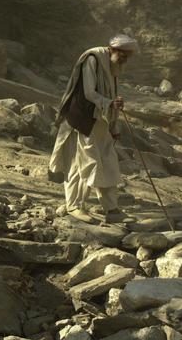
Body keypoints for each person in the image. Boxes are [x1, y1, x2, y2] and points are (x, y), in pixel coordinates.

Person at [49, 34, 139, 224]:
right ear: (113, 50)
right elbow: (89, 93)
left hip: (101, 121)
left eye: (127, 57)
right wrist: (109, 103)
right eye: (123, 55)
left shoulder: (112, 66)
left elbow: (110, 94)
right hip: (83, 120)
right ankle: (74, 206)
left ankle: (112, 210)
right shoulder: (93, 59)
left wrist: (114, 121)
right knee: (84, 164)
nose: (124, 60)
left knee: (108, 163)